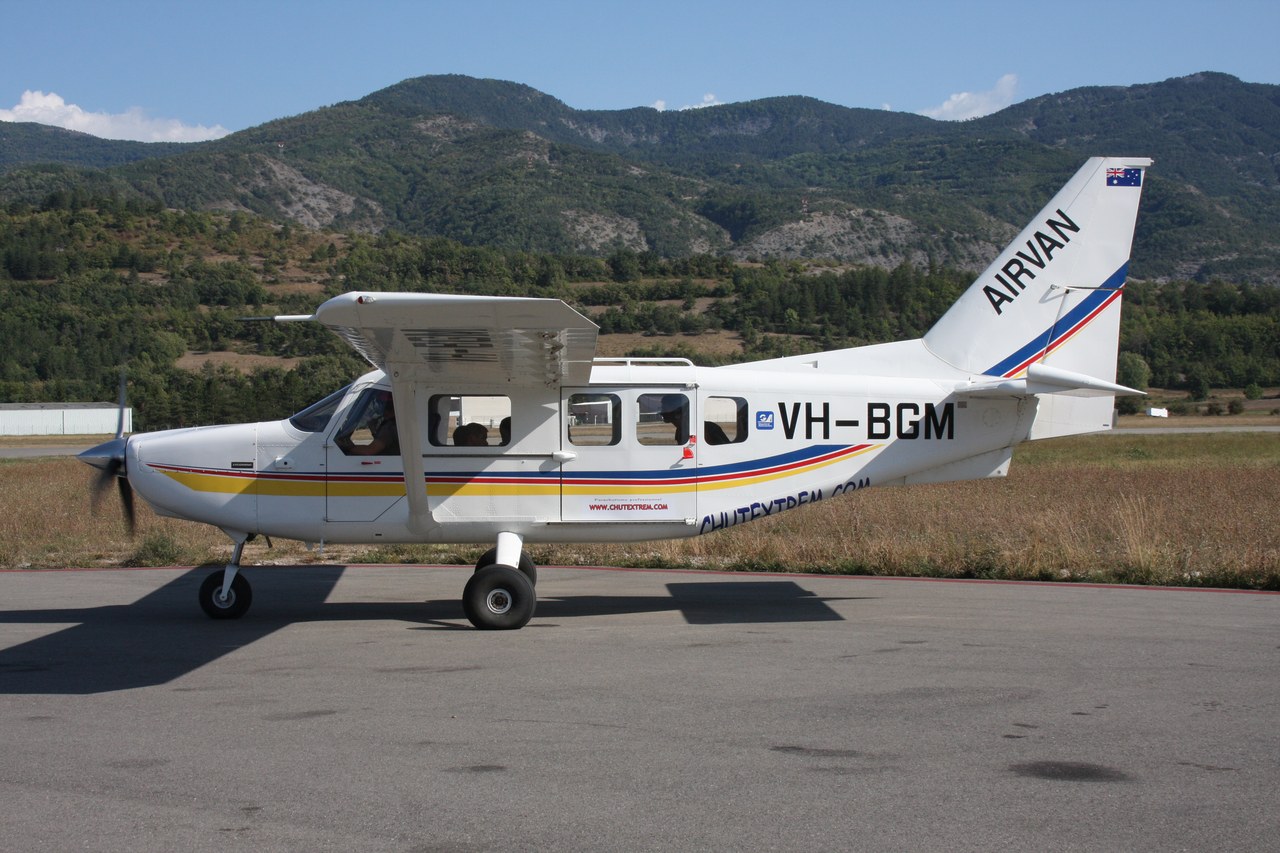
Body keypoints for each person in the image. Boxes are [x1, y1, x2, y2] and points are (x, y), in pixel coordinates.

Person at [336, 391, 399, 456]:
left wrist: (343, 446)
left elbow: (369, 450)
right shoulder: (387, 423)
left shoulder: (390, 427)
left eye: (381, 404)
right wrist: (372, 429)